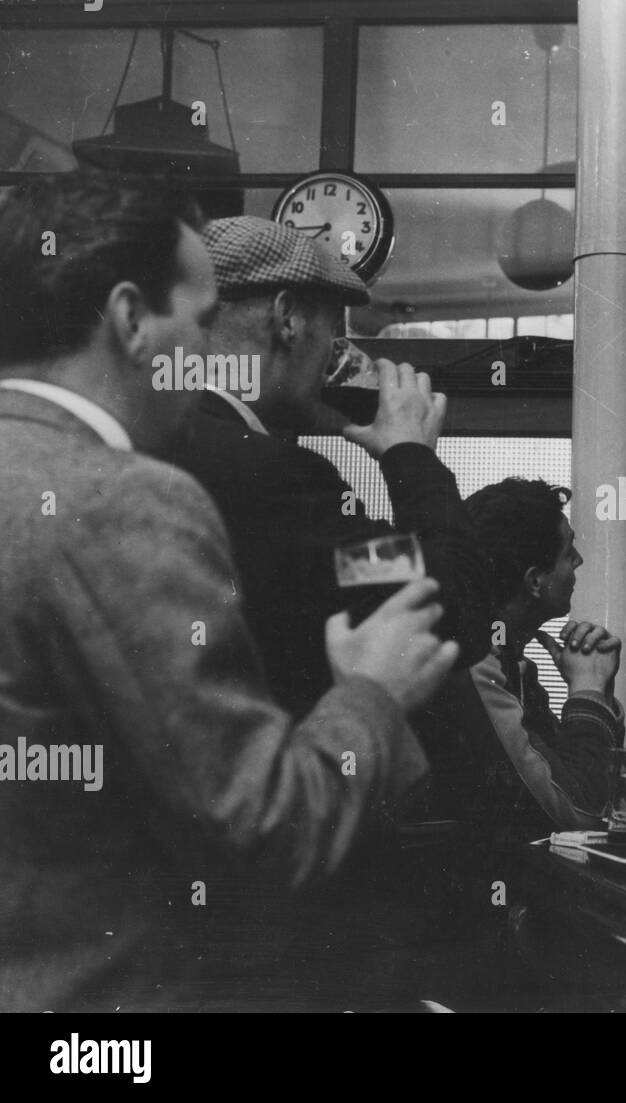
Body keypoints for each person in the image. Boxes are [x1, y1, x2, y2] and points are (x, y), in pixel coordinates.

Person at [0, 172, 460, 1011]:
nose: (211, 356)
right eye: (201, 322)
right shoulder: (130, 498)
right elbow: (263, 827)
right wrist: (374, 692)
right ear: (133, 320)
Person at [165, 216, 490, 720]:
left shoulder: (147, 434)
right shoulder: (275, 479)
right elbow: (452, 605)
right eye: (331, 335)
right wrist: (411, 456)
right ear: (288, 318)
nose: (332, 359)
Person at [413, 479, 623, 852]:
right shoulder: (475, 665)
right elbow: (579, 812)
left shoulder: (505, 656)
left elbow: (568, 775)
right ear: (535, 580)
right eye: (568, 550)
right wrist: (588, 694)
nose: (579, 561)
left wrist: (598, 694)